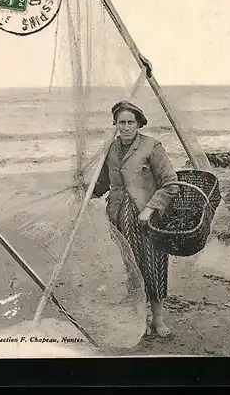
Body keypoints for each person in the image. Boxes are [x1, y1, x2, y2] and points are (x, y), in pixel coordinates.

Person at [92, 100, 179, 337]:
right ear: (116, 124)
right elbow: (101, 184)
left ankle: (158, 321)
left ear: (139, 123)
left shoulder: (152, 146)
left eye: (131, 122)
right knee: (132, 270)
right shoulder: (110, 149)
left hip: (147, 219)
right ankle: (140, 320)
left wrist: (150, 209)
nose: (127, 127)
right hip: (119, 219)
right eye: (122, 122)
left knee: (152, 266)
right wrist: (84, 191)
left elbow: (171, 184)